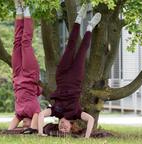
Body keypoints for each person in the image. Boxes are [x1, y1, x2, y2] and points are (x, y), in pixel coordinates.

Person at [38, 4, 101, 138]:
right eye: (66, 129)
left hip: (61, 75)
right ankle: (90, 26)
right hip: (75, 79)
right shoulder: (76, 113)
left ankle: (78, 18)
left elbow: (41, 115)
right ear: (71, 126)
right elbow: (90, 119)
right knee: (82, 52)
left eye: (61, 128)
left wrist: (39, 132)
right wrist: (87, 137)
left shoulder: (55, 112)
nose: (63, 127)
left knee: (70, 46)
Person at [8, 0, 42, 133]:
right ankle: (26, 8)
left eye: (23, 126)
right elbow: (34, 126)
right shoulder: (35, 110)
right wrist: (32, 131)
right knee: (25, 42)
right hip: (30, 74)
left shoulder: (19, 113)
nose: (24, 125)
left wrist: (14, 131)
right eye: (26, 126)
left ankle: (18, 10)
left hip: (17, 74)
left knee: (17, 43)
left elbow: (10, 130)